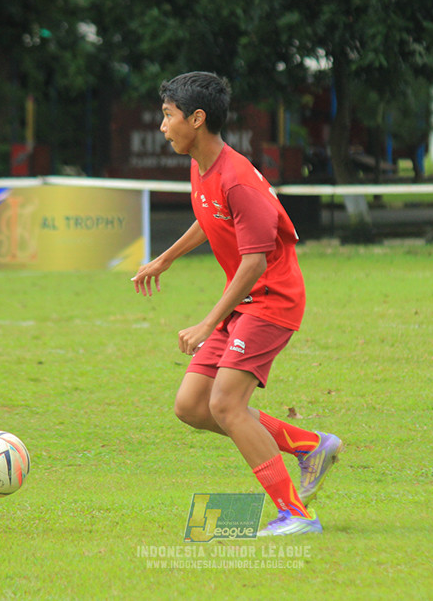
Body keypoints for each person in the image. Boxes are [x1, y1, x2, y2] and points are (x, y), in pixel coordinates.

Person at [132, 71, 342, 536]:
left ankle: (297, 514)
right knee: (192, 406)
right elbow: (208, 218)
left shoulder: (238, 180)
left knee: (226, 405)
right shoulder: (201, 164)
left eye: (168, 117)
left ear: (197, 118)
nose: (163, 127)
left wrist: (209, 322)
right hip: (244, 302)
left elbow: (255, 262)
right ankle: (310, 445)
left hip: (271, 301)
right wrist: (163, 260)